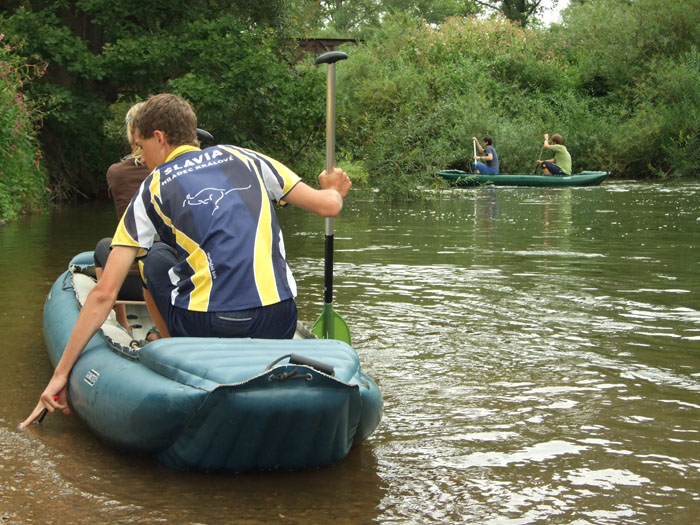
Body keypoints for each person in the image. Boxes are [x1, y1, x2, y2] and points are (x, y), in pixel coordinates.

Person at [21, 93, 352, 427]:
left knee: (155, 260)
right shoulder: (247, 158)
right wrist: (333, 187)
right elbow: (328, 206)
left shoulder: (152, 188)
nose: (143, 157)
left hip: (210, 327)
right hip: (278, 319)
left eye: (142, 145)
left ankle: (176, 352)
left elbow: (105, 293)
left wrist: (60, 374)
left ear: (160, 138)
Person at [94, 102, 151, 333]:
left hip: (130, 282)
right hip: (175, 279)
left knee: (104, 246)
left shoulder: (116, 173)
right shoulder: (180, 171)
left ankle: (122, 322)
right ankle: (160, 328)